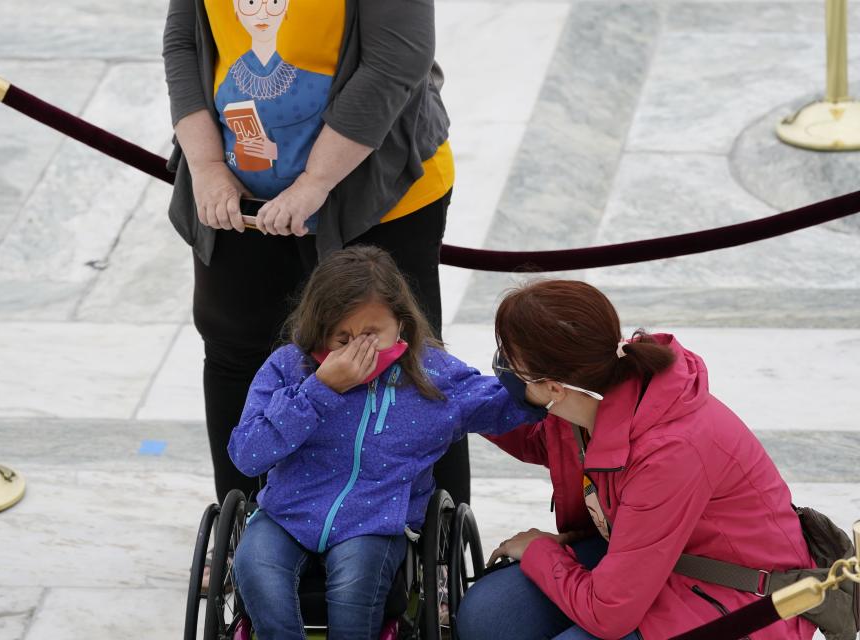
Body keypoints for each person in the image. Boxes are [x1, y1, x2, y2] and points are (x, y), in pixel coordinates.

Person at [161, 0, 471, 513]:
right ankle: (249, 527)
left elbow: (396, 60)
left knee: (404, 359)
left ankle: (428, 545)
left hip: (378, 194)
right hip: (240, 190)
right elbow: (184, 44)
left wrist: (314, 183)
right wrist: (209, 166)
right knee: (237, 352)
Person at [456, 280, 816, 640]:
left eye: (510, 360)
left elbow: (608, 614)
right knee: (488, 615)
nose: (502, 366)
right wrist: (451, 395)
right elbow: (539, 440)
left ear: (553, 388)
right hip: (653, 560)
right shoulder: (591, 388)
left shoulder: (671, 452)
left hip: (738, 601)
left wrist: (540, 551)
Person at [228, 247, 541, 639]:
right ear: (318, 328)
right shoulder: (289, 368)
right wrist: (320, 389)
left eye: (371, 335)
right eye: (342, 338)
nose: (358, 349)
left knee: (355, 589)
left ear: (401, 325)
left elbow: (501, 403)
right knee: (255, 570)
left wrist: (544, 380)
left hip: (374, 521)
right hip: (286, 514)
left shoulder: (434, 377)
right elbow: (247, 454)